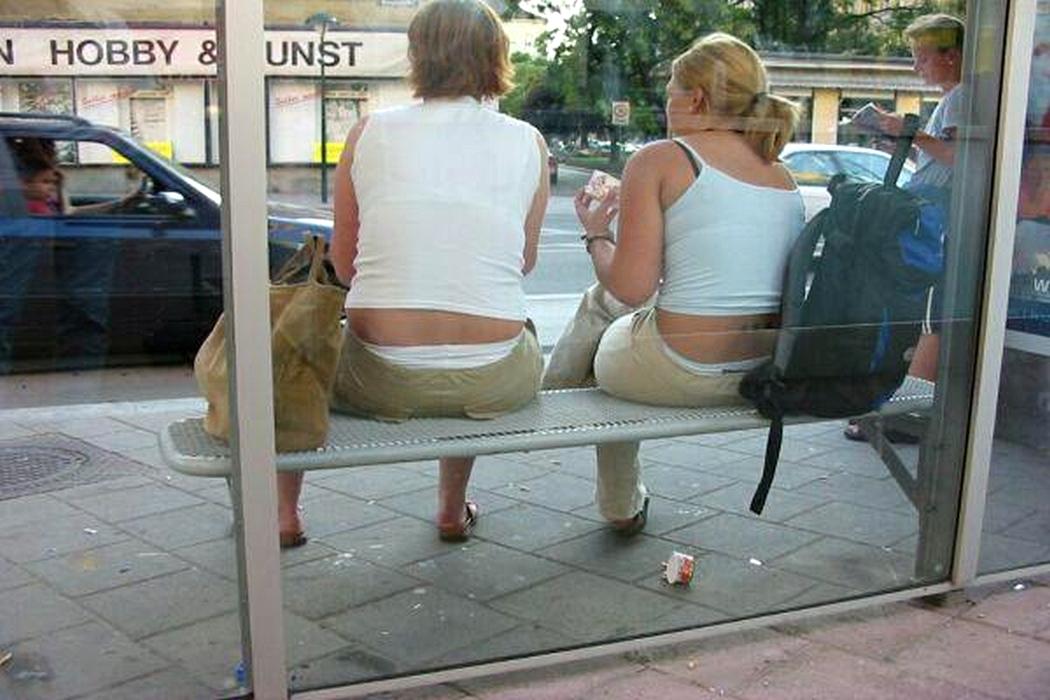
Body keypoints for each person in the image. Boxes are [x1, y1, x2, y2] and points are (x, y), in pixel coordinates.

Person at [272, 0, 549, 548]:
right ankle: (450, 509)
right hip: (496, 377)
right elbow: (523, 262)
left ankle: (284, 514)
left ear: (418, 54)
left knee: (296, 356)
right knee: (496, 328)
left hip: (378, 377)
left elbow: (344, 265)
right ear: (495, 56)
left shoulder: (369, 132)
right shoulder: (528, 141)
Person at [543, 33, 805, 534]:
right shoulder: (783, 175)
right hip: (760, 372)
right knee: (612, 314)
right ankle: (560, 409)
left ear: (697, 100)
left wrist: (596, 233)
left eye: (670, 92)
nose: (665, 104)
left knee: (603, 307)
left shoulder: (660, 159)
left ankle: (555, 407)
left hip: (681, 370)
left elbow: (630, 288)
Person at [844, 13, 965, 442]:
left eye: (922, 57)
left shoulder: (962, 97)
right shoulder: (952, 99)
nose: (916, 67)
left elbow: (962, 158)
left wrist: (907, 131)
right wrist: (905, 143)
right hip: (933, 212)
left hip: (937, 221)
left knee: (929, 316)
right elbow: (941, 161)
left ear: (951, 56)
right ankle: (902, 406)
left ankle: (906, 413)